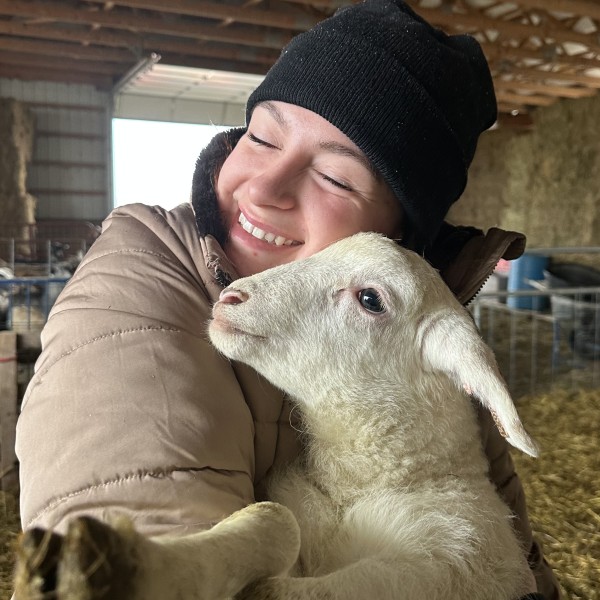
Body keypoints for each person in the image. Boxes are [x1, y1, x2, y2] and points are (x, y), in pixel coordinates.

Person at [15, 1, 560, 598]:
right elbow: (131, 500)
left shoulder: (424, 353)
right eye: (262, 136)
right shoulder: (145, 270)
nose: (264, 188)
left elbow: (519, 560)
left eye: (336, 177)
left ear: (399, 236)